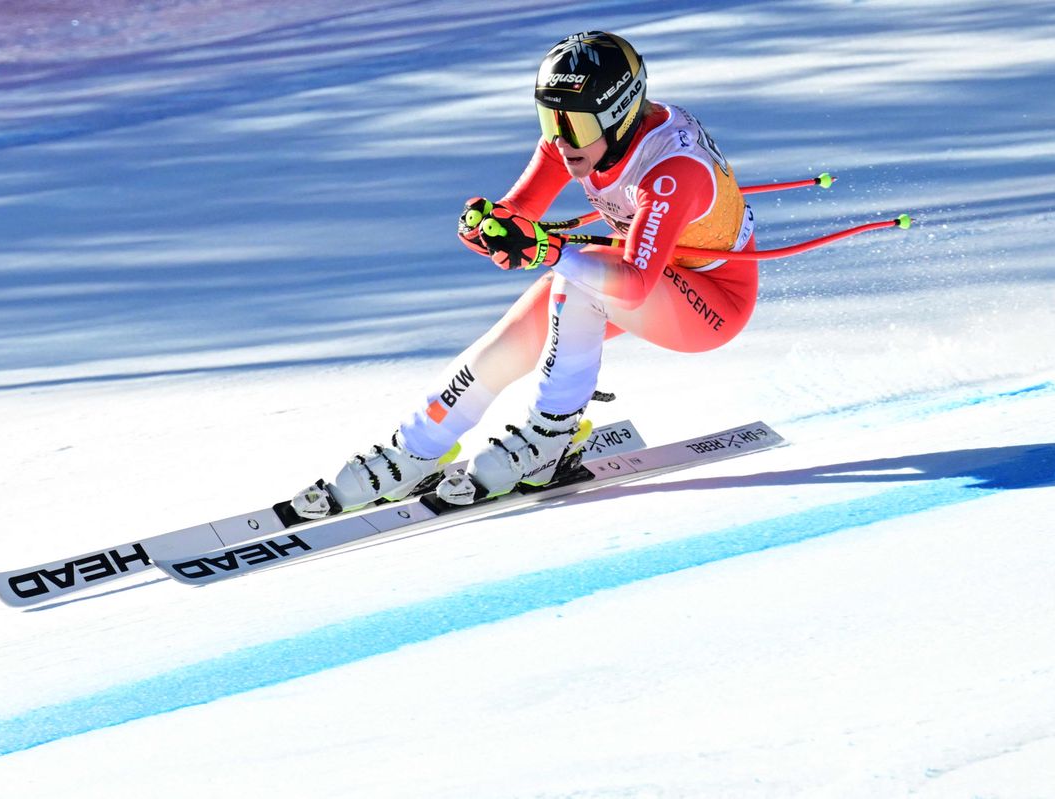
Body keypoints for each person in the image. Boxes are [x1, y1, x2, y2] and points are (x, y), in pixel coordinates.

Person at [292, 30, 758, 518]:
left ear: (620, 113)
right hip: (644, 277)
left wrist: (550, 251)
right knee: (523, 327)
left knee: (573, 280)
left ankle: (550, 435)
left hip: (711, 303)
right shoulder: (582, 137)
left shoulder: (671, 170)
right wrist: (491, 226)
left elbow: (635, 283)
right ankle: (419, 445)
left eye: (574, 123)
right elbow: (522, 214)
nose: (560, 139)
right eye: (549, 118)